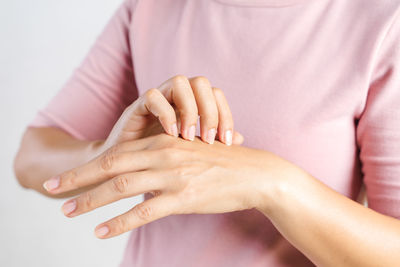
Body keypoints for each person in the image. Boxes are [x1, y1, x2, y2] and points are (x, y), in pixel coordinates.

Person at [14, 0, 400, 266]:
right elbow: (30, 159)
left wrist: (273, 184)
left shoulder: (382, 21)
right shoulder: (152, 8)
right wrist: (113, 153)